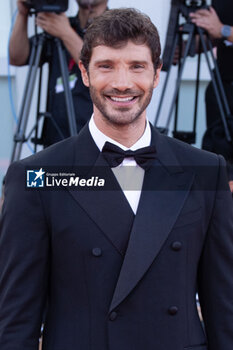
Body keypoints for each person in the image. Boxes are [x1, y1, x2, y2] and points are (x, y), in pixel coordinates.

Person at [1, 8, 233, 350]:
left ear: (157, 74)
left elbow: (224, 306)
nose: (122, 83)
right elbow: (16, 320)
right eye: (106, 66)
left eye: (137, 66)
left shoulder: (206, 170)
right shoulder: (37, 176)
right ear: (84, 73)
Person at [9, 0, 108, 146]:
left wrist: (66, 33)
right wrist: (23, 14)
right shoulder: (62, 25)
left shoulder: (117, 29)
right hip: (55, 139)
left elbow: (102, 70)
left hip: (96, 141)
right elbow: (17, 57)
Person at [189, 0, 233, 191]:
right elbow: (213, 34)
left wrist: (224, 30)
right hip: (222, 86)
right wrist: (187, 47)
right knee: (217, 162)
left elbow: (220, 30)